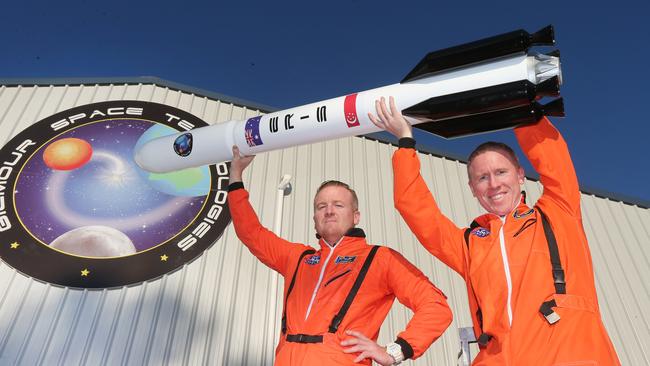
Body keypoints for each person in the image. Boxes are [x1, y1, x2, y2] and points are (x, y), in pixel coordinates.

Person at [369, 97, 621, 365]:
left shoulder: (558, 212)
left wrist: (522, 108)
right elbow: (415, 209)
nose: (493, 184)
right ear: (472, 188)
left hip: (570, 354)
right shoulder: (469, 244)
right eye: (482, 177)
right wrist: (405, 141)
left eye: (501, 172)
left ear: (520, 175)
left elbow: (553, 159)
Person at [227, 145, 453, 366]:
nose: (329, 211)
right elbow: (250, 232)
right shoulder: (298, 258)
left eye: (338, 205)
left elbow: (436, 306)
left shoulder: (380, 258)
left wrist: (395, 351)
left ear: (356, 216)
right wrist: (235, 177)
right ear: (315, 217)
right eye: (321, 206)